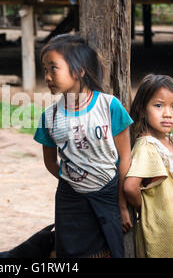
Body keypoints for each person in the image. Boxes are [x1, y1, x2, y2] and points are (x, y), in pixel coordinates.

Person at [34, 34, 133, 258]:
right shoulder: (49, 116)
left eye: (54, 68)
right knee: (69, 253)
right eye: (45, 70)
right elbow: (50, 162)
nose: (48, 76)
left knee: (110, 250)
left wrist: (123, 205)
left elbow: (125, 158)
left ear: (79, 71)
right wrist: (72, 181)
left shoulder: (109, 106)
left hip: (108, 195)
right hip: (70, 201)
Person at [124, 74, 173, 258]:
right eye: (158, 105)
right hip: (163, 230)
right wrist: (144, 209)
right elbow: (130, 187)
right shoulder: (148, 146)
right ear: (142, 109)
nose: (167, 113)